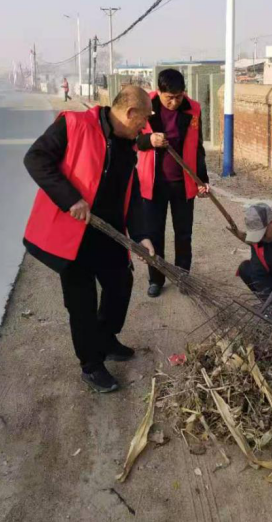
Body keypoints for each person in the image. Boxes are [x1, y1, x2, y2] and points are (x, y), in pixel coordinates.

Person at [22, 85, 155, 393]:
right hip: (73, 235)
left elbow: (131, 194)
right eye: (144, 119)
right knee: (82, 302)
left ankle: (106, 339)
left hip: (108, 233)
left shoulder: (128, 145)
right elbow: (35, 158)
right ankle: (91, 365)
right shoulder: (74, 125)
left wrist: (143, 235)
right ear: (130, 112)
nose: (145, 126)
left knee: (120, 284)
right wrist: (70, 198)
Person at [135, 69, 209, 298]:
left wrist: (202, 180)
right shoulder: (145, 107)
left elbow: (197, 147)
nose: (174, 102)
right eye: (169, 98)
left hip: (182, 183)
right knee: (154, 234)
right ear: (159, 91)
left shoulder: (193, 108)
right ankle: (156, 278)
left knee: (183, 234)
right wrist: (149, 140)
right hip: (153, 183)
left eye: (178, 97)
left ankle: (182, 276)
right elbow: (132, 140)